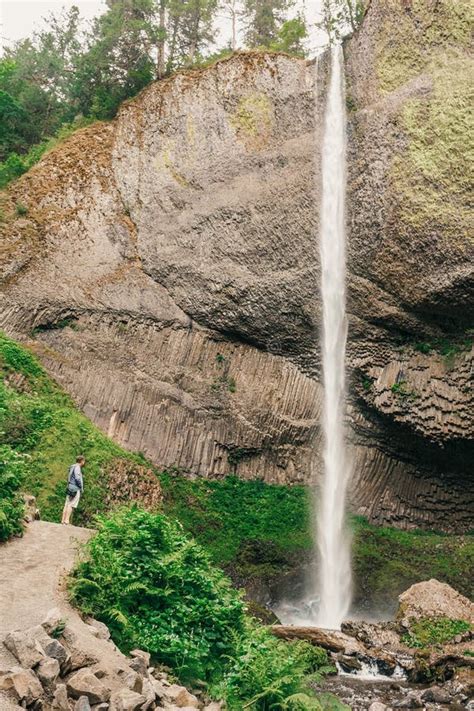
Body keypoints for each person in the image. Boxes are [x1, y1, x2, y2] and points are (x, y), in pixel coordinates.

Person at [61, 456, 85, 525]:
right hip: (75, 488)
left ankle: (63, 520)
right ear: (82, 461)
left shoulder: (73, 466)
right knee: (71, 504)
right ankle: (66, 521)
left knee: (67, 503)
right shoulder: (77, 467)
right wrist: (80, 486)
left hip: (70, 486)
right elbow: (77, 478)